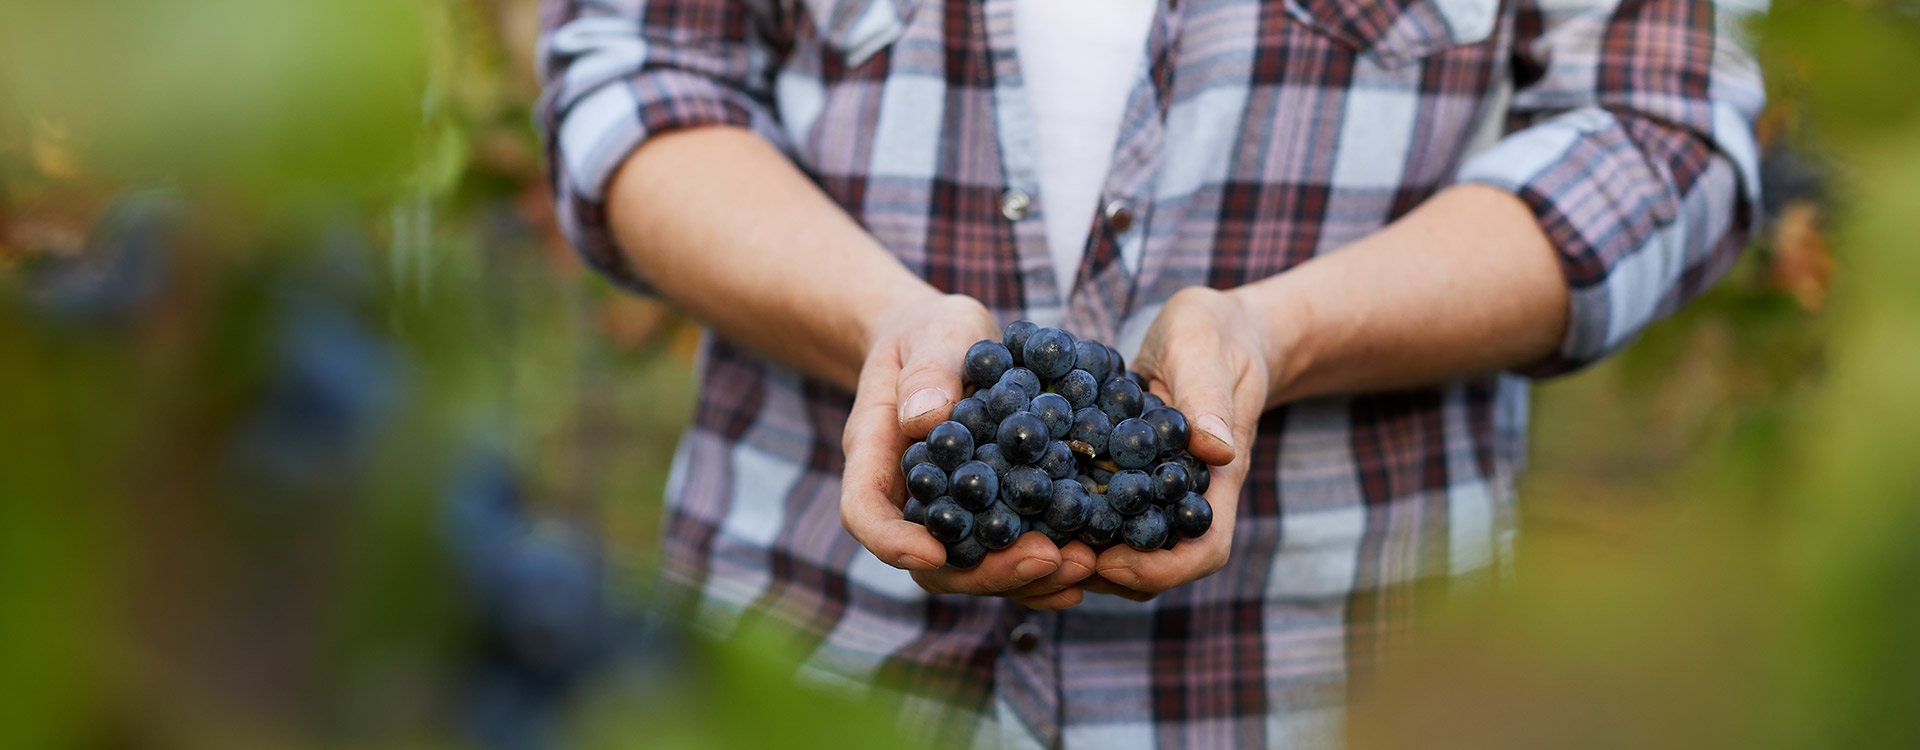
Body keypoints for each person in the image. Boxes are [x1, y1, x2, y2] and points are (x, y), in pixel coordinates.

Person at [537, 0, 1762, 745]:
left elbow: (1664, 125)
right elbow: (637, 69)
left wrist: (1282, 334)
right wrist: (879, 320)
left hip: (1335, 684)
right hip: (803, 650)